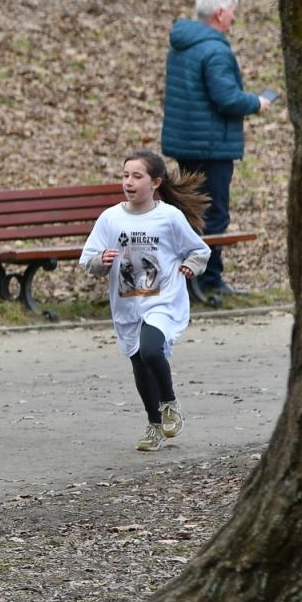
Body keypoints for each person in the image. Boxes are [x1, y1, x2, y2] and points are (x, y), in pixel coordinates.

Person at [80, 150, 211, 453]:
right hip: (127, 301)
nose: (129, 181)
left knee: (152, 350)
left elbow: (198, 250)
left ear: (155, 183)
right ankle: (154, 424)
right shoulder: (110, 218)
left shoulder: (169, 217)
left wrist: (192, 265)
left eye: (137, 176)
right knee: (138, 361)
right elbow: (87, 259)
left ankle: (169, 404)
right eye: (125, 175)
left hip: (163, 299)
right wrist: (101, 259)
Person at [160, 0, 271, 300]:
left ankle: (186, 277)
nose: (234, 17)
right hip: (211, 145)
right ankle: (208, 279)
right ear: (220, 13)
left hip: (186, 142)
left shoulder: (181, 45)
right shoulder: (215, 49)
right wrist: (256, 102)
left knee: (190, 211)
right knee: (215, 214)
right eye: (232, 11)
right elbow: (226, 98)